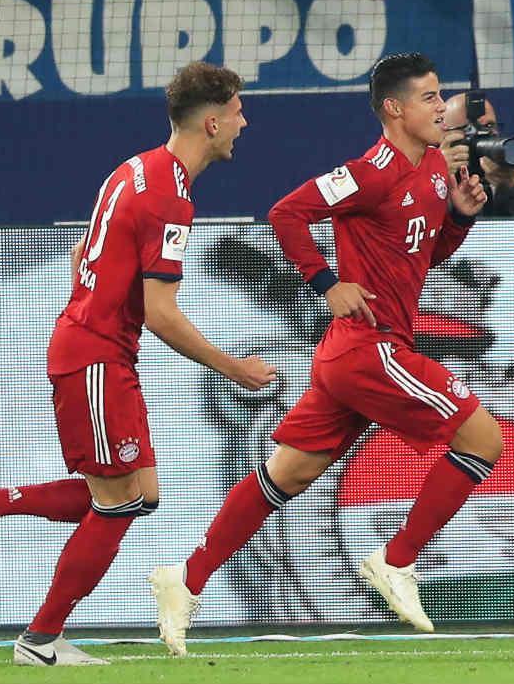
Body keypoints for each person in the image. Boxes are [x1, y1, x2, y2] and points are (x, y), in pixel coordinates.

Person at [0, 61, 276, 667]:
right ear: (212, 121)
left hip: (96, 351)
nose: (245, 123)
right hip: (96, 358)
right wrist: (233, 368)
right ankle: (40, 639)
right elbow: (161, 312)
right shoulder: (170, 197)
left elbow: (77, 253)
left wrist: (95, 316)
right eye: (239, 112)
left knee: (141, 494)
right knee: (117, 503)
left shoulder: (134, 169)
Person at [148, 52, 493, 656]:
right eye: (430, 98)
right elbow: (287, 213)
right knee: (484, 442)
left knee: (290, 472)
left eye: (442, 96)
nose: (442, 108)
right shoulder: (369, 172)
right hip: (370, 347)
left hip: (356, 353)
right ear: (394, 109)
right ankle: (396, 557)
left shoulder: (436, 170)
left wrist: (458, 223)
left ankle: (188, 577)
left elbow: (419, 258)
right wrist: (326, 282)